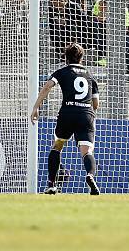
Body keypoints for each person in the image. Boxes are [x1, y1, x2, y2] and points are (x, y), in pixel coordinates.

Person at [30, 43, 101, 195]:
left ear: (66, 57)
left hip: (67, 113)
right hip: (86, 114)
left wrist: (36, 107)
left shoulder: (62, 71)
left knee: (57, 146)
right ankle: (90, 175)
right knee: (87, 151)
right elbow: (96, 104)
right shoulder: (90, 76)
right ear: (82, 58)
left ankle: (51, 184)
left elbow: (48, 86)